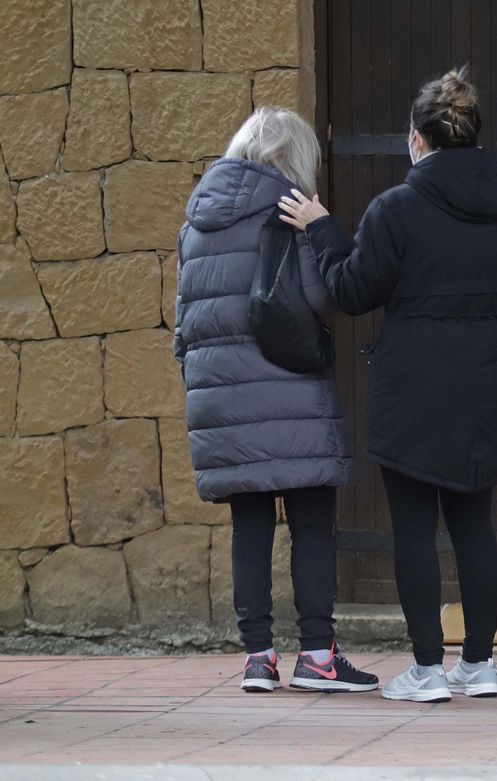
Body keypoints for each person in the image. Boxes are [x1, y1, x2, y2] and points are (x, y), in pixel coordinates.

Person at [278, 67, 497, 703]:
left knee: (414, 528)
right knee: (475, 524)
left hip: (415, 382)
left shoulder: (398, 207)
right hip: (487, 379)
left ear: (417, 138)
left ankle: (426, 670)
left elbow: (351, 291)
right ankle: (479, 664)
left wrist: (322, 227)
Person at [175, 107, 378, 695]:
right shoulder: (290, 211)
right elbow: (322, 296)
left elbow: (185, 321)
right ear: (296, 160)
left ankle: (257, 659)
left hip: (221, 399)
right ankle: (316, 656)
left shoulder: (197, 222)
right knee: (312, 523)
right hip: (292, 392)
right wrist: (324, 229)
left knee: (251, 523)